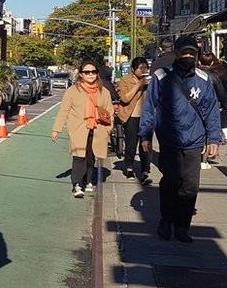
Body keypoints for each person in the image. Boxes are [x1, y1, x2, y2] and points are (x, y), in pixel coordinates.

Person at [140, 36, 222, 243]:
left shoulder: (203, 79)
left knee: (190, 186)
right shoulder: (161, 76)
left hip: (194, 140)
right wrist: (146, 135)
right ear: (176, 53)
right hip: (169, 138)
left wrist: (214, 138)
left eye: (191, 54)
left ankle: (182, 226)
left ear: (196, 55)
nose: (187, 57)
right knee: (170, 182)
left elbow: (212, 110)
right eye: (184, 53)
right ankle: (166, 221)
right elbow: (149, 107)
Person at [51, 60, 114, 198]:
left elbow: (109, 112)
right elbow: (64, 111)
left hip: (98, 129)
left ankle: (89, 180)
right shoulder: (72, 91)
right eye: (87, 72)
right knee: (79, 156)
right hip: (78, 129)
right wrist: (57, 129)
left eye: (93, 72)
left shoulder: (104, 92)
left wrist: (108, 129)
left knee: (91, 157)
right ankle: (77, 184)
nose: (90, 75)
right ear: (81, 74)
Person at [116, 57, 152, 184]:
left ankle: (145, 171)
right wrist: (139, 85)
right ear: (133, 69)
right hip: (131, 116)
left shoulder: (151, 81)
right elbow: (125, 98)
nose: (143, 71)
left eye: (145, 68)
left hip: (146, 117)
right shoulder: (125, 81)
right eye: (140, 68)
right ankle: (129, 167)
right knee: (131, 144)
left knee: (146, 145)